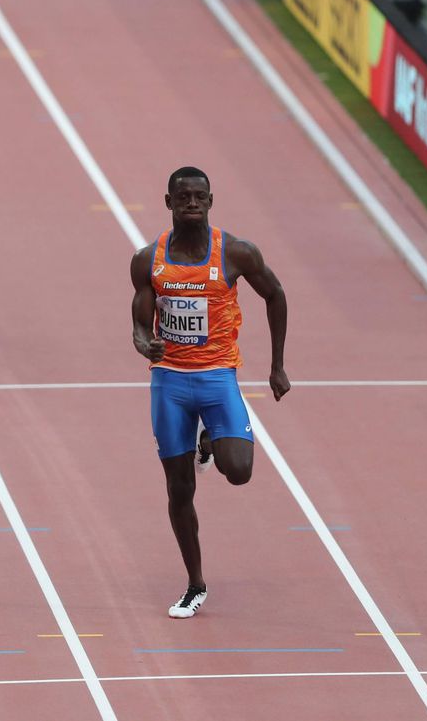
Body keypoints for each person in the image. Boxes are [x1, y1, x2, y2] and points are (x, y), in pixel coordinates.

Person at [130, 166, 289, 618]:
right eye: (183, 197)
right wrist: (143, 341)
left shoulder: (236, 252)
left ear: (212, 200)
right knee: (179, 490)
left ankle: (211, 439)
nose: (192, 204)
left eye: (200, 196)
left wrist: (277, 365)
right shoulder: (149, 259)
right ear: (169, 202)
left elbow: (275, 294)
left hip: (218, 376)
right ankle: (195, 584)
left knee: (238, 471)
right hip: (170, 383)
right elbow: (140, 318)